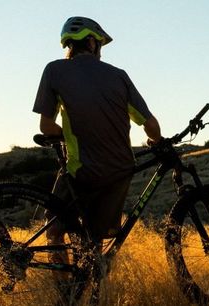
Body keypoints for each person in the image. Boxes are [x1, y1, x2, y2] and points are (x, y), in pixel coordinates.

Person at [33, 16, 163, 246]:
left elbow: (46, 127)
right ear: (92, 43)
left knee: (54, 230)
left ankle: (64, 282)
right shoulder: (119, 75)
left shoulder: (55, 70)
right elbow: (150, 125)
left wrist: (71, 137)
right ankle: (93, 272)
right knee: (95, 237)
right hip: (119, 170)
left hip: (81, 170)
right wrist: (158, 140)